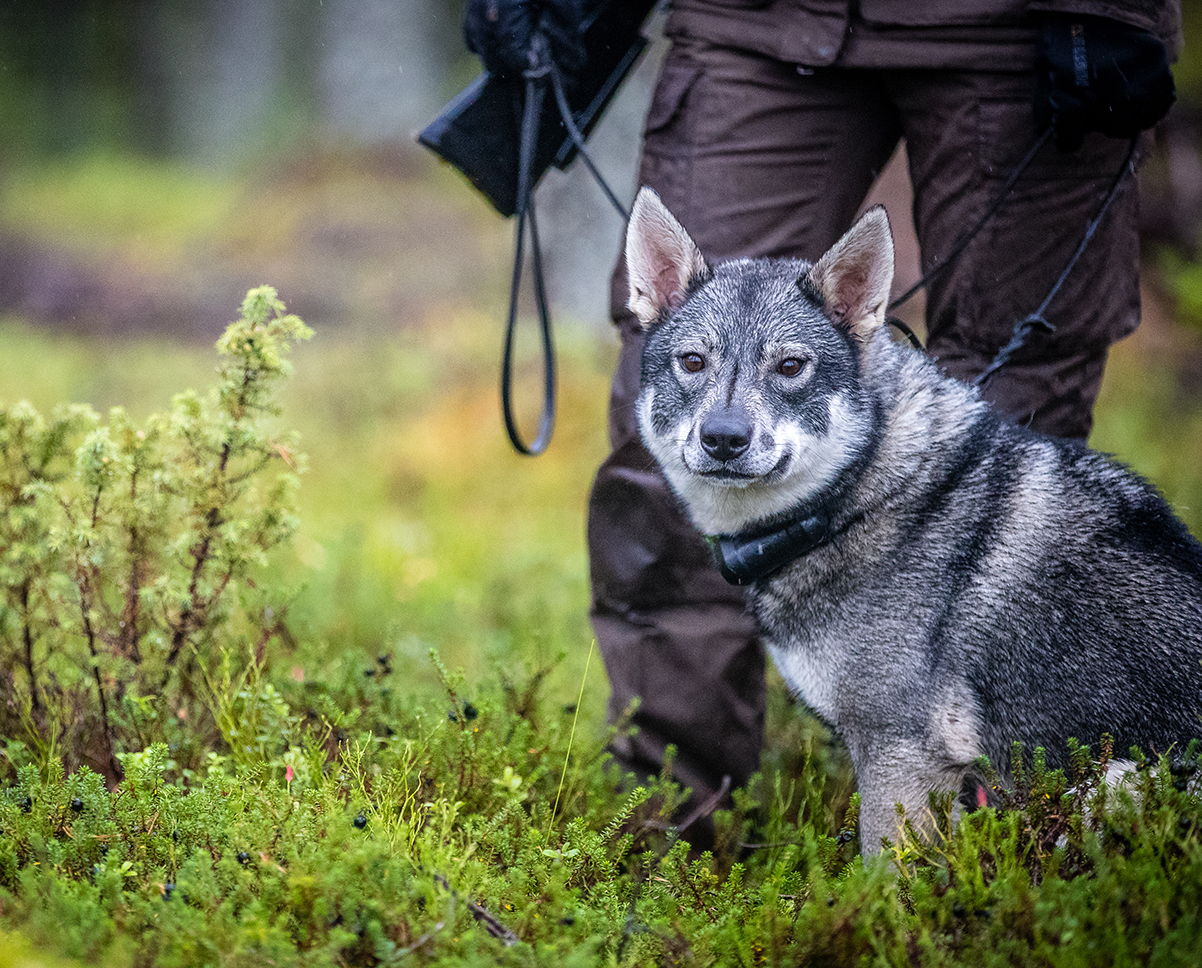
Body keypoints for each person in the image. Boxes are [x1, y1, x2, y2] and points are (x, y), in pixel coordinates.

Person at [464, 0, 1179, 833]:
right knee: (671, 415)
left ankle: (1003, 827)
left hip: (1016, 27)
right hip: (756, 23)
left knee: (1018, 412)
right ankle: (671, 824)